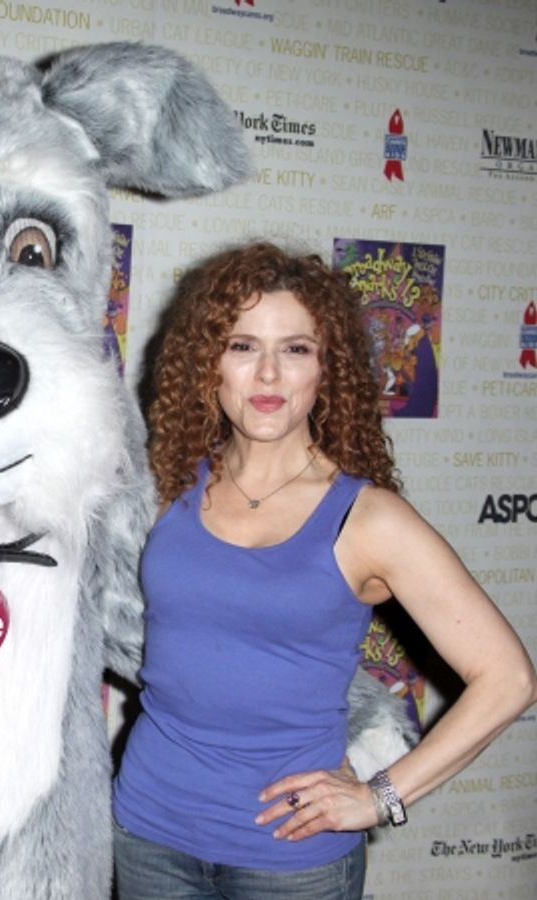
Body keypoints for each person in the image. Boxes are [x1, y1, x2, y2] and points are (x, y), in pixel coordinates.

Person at [112, 242, 536, 899]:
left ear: (328, 368)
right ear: (209, 364)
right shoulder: (169, 484)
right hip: (148, 831)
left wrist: (380, 797)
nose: (269, 376)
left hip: (292, 860)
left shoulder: (368, 520)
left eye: (296, 349)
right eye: (243, 346)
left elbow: (507, 678)